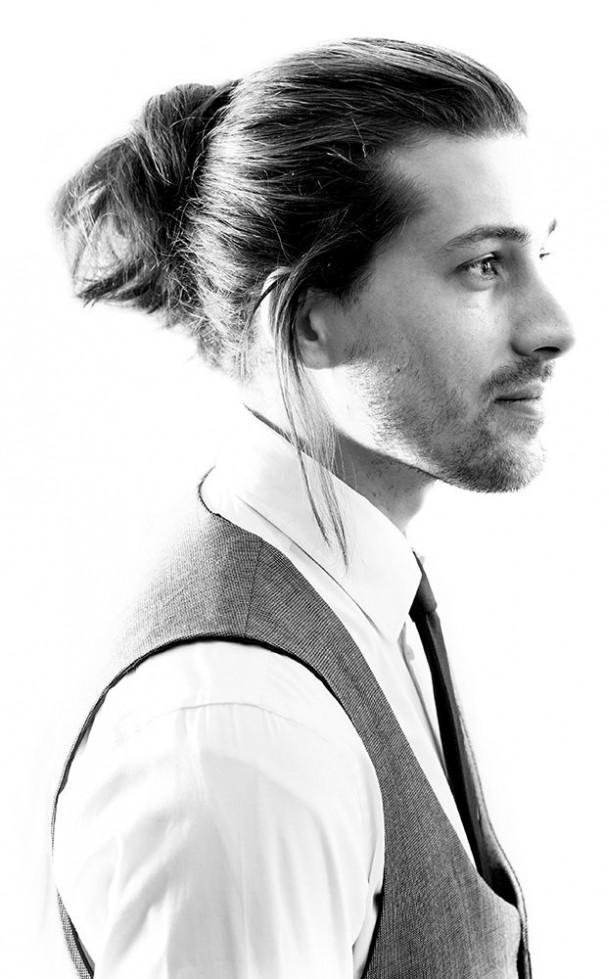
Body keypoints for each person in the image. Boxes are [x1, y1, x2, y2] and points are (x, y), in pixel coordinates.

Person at [51, 37, 574, 979]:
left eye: (539, 253)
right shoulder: (245, 730)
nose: (555, 327)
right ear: (304, 321)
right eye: (483, 266)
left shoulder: (356, 599)